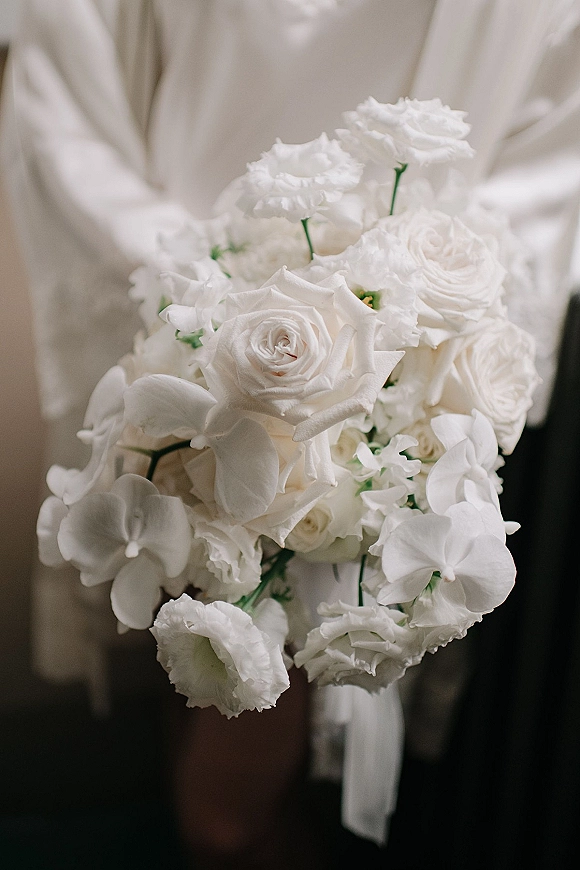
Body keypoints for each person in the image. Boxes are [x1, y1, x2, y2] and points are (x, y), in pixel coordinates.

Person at [2, 0, 580, 865]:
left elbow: (551, 147)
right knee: (194, 656)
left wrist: (397, 357)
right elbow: (68, 88)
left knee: (227, 809)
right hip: (180, 311)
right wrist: (206, 295)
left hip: (388, 390)